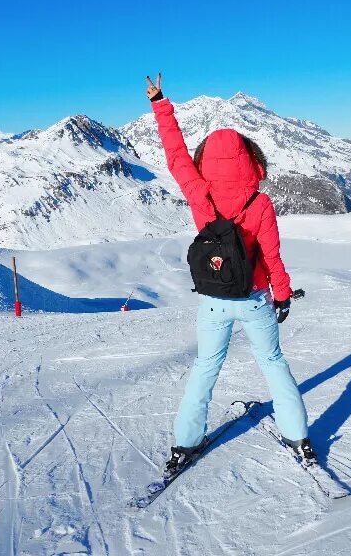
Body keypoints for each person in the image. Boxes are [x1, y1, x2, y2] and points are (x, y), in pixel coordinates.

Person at [145, 73, 314, 478]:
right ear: (251, 161)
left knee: (205, 366)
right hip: (255, 298)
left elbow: (175, 155)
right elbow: (272, 256)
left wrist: (160, 103)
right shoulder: (260, 202)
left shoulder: (199, 193)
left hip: (214, 299)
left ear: (206, 161)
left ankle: (185, 443)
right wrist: (283, 295)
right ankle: (299, 437)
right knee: (273, 362)